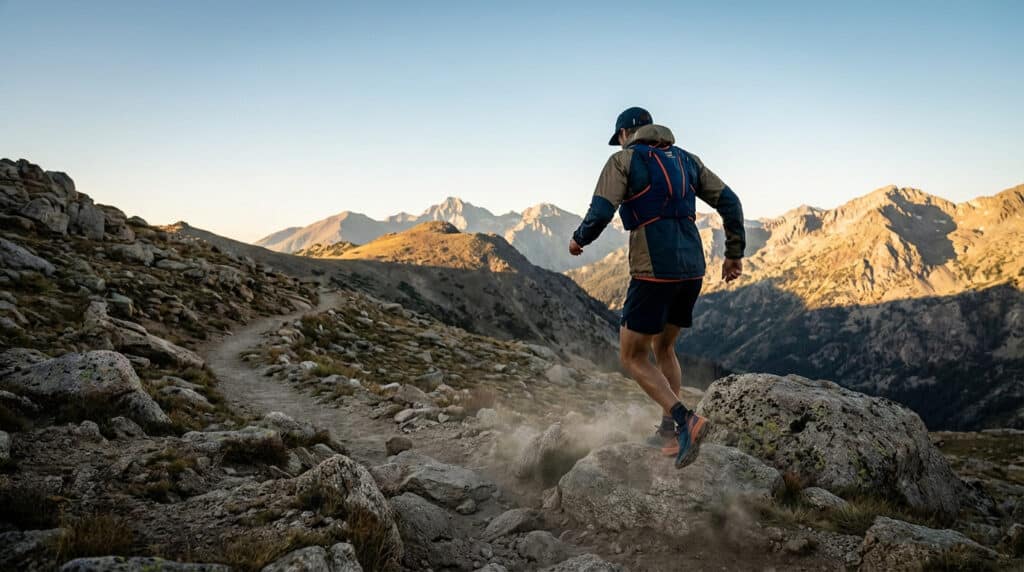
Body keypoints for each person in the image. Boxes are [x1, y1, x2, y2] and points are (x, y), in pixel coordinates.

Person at [569, 107, 745, 468]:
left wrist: (579, 239)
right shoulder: (687, 160)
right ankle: (668, 432)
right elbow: (731, 202)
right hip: (692, 267)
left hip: (654, 270)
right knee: (664, 347)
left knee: (632, 356)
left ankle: (685, 420)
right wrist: (733, 255)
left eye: (618, 138)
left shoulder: (624, 160)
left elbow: (601, 211)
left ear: (625, 134)